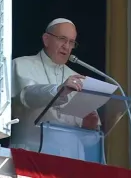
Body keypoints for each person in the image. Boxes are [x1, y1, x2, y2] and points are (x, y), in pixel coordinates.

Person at [10, 18, 100, 159]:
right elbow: (26, 96)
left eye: (71, 42)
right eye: (62, 39)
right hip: (31, 157)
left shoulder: (78, 78)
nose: (66, 46)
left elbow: (89, 142)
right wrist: (58, 91)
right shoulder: (20, 65)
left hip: (72, 162)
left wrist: (89, 127)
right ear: (46, 39)